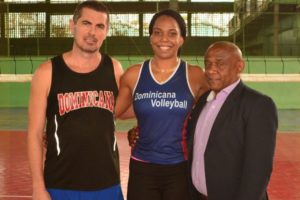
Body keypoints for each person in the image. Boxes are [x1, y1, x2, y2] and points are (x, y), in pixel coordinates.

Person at [27, 1, 124, 200]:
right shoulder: (47, 72)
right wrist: (37, 187)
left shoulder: (114, 69)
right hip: (60, 184)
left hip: (107, 183)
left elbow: (128, 109)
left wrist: (140, 129)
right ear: (73, 25)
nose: (92, 32)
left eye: (100, 26)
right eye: (86, 23)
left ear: (106, 31)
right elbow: (35, 134)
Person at [115, 9, 209, 200]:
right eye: (157, 32)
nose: (164, 39)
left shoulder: (195, 75)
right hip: (142, 167)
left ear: (181, 39)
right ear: (150, 38)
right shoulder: (134, 75)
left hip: (180, 168)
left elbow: (211, 114)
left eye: (172, 33)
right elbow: (115, 112)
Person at [186, 41, 278, 200]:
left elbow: (258, 170)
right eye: (207, 64)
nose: (211, 70)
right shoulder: (202, 102)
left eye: (220, 64)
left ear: (239, 66)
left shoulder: (258, 105)